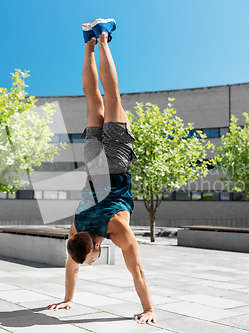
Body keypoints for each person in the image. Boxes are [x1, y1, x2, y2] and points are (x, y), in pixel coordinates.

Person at [46, 18, 156, 325]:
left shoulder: (118, 231)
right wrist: (68, 299)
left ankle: (104, 37)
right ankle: (88, 42)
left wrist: (148, 309)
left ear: (96, 246)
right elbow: (73, 264)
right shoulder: (76, 226)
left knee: (112, 96)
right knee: (94, 99)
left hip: (116, 162)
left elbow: (137, 272)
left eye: (92, 259)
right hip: (93, 161)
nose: (91, 263)